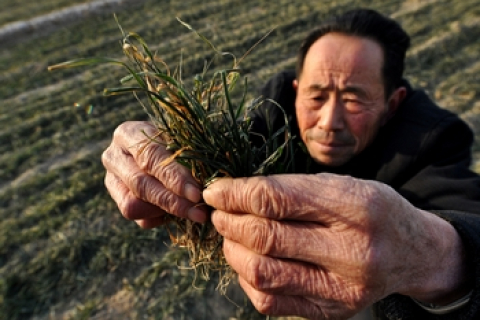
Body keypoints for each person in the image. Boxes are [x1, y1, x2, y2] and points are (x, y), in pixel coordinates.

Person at [101, 9, 480, 320]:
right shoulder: (275, 113)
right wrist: (159, 150)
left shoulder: (433, 138)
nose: (329, 121)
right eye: (317, 96)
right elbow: (212, 156)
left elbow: (466, 221)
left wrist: (433, 256)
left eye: (353, 99)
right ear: (297, 91)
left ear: (392, 104)